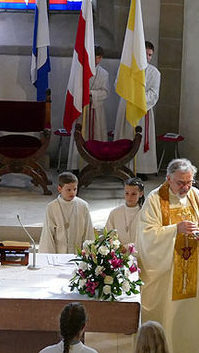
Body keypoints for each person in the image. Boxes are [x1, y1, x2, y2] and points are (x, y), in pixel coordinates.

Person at [135, 158, 199, 353]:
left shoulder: (196, 196)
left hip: (192, 269)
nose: (186, 187)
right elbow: (147, 235)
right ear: (168, 178)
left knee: (191, 315)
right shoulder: (155, 200)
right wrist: (175, 229)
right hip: (166, 272)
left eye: (189, 182)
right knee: (168, 315)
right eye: (181, 183)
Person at [114, 40, 160, 177]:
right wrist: (131, 95)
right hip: (127, 107)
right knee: (126, 135)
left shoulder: (155, 73)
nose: (147, 57)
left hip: (143, 109)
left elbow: (154, 94)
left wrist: (139, 98)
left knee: (141, 137)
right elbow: (118, 85)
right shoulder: (126, 68)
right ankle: (122, 167)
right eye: (145, 53)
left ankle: (141, 169)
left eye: (150, 55)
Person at [67, 45, 110, 170]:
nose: (97, 60)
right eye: (95, 57)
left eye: (99, 57)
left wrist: (91, 93)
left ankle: (97, 166)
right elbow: (75, 89)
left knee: (97, 136)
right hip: (82, 108)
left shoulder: (104, 73)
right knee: (81, 135)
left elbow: (106, 92)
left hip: (96, 109)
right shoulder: (81, 70)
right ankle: (77, 166)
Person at [38, 171, 95, 254]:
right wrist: (49, 257)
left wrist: (88, 254)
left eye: (75, 189)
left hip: (77, 252)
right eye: (68, 189)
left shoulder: (83, 206)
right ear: (59, 189)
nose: (72, 192)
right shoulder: (52, 207)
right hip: (59, 252)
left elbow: (88, 231)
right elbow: (48, 234)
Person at [104, 177, 144, 249]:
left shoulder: (145, 213)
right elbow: (108, 234)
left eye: (133, 194)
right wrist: (117, 246)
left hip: (139, 252)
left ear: (141, 194)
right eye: (127, 193)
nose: (129, 197)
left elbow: (148, 237)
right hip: (118, 254)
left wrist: (127, 247)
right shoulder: (115, 213)